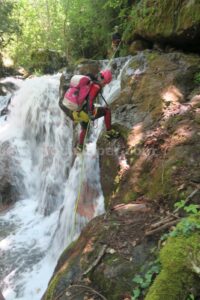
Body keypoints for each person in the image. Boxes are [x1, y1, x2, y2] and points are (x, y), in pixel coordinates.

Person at [59, 69, 119, 152]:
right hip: (85, 112)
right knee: (107, 111)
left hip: (76, 112)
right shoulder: (96, 86)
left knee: (84, 127)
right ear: (102, 78)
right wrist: (91, 113)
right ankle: (109, 132)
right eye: (105, 83)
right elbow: (90, 100)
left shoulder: (89, 82)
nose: (104, 85)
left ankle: (80, 147)